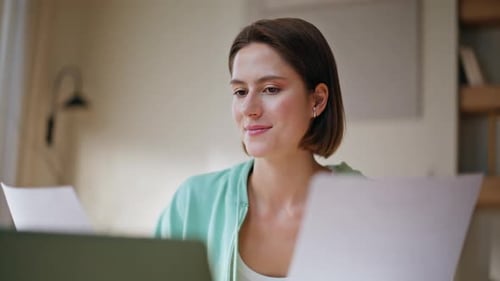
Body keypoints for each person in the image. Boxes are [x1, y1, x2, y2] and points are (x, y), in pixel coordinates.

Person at [155, 18, 361, 281]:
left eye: (270, 89)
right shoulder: (192, 203)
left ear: (317, 100)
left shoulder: (370, 207)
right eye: (240, 91)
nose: (249, 109)